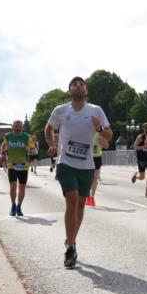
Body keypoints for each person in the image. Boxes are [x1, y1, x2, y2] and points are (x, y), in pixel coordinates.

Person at [46, 76, 112, 268]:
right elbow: (48, 128)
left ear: (86, 90)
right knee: (72, 199)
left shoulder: (95, 110)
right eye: (74, 84)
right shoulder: (61, 110)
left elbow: (109, 134)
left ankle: (71, 240)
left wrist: (98, 128)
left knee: (80, 206)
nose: (78, 86)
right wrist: (51, 144)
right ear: (69, 91)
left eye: (81, 84)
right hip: (65, 162)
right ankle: (70, 248)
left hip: (86, 165)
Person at [2, 120, 32, 217]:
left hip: (24, 165)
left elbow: (32, 150)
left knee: (22, 188)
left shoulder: (27, 137)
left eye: (20, 126)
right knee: (13, 186)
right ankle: (13, 205)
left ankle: (19, 206)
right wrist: (3, 152)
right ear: (13, 127)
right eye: (16, 126)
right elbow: (4, 147)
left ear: (22, 127)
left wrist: (28, 149)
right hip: (12, 164)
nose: (18, 128)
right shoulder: (7, 136)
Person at [131, 122, 147, 197]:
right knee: (142, 177)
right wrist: (143, 146)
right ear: (143, 129)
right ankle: (136, 177)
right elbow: (135, 147)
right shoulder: (140, 137)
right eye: (146, 128)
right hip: (141, 159)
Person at [87, 131, 105, 207]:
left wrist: (102, 139)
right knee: (87, 179)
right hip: (86, 157)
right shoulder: (85, 129)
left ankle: (92, 197)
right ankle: (87, 195)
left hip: (97, 157)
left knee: (95, 178)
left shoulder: (100, 131)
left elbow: (106, 145)